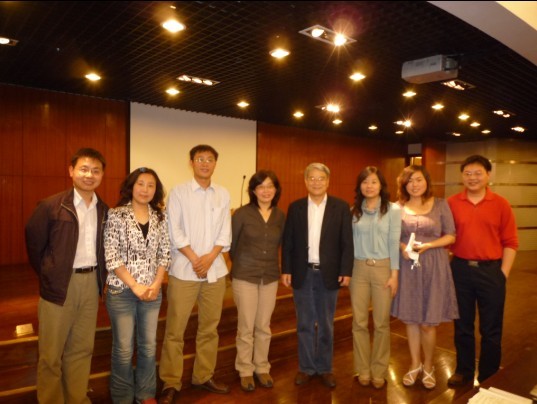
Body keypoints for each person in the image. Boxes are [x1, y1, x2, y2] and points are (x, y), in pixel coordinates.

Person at [25, 147, 108, 403]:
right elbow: (34, 245)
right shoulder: (51, 206)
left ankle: (76, 397)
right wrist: (50, 273)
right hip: (60, 285)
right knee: (51, 354)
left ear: (102, 175)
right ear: (71, 171)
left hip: (91, 284)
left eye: (95, 171)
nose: (89, 175)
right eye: (84, 169)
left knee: (82, 348)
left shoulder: (104, 210)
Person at [158, 145, 231, 403]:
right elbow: (174, 230)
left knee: (209, 329)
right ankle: (170, 382)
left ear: (215, 164)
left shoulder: (223, 193)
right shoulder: (178, 192)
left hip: (215, 271)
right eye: (200, 159)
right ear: (191, 162)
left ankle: (203, 376)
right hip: (183, 270)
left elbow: (225, 232)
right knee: (175, 330)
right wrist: (194, 258)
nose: (205, 163)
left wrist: (210, 258)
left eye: (210, 159)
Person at [281, 162, 354, 389]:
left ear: (328, 181)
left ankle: (324, 368)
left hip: (328, 274)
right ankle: (306, 367)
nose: (316, 182)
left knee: (325, 324)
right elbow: (288, 242)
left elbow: (347, 243)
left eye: (321, 178)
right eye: (311, 178)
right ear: (305, 181)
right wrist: (286, 269)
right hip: (302, 273)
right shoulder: (296, 207)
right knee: (304, 323)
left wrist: (346, 270)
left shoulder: (340, 207)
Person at [447, 155, 518, 386]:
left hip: (491, 271)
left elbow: (511, 242)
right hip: (460, 270)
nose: (472, 178)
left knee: (491, 327)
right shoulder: (451, 203)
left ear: (488, 175)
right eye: (467, 173)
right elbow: (446, 237)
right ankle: (464, 370)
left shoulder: (501, 204)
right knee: (462, 325)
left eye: (478, 173)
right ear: (462, 176)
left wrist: (503, 274)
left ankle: (489, 374)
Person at [104, 167, 171, 403]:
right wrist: (135, 286)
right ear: (131, 187)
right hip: (121, 290)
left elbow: (165, 252)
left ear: (156, 190)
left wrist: (157, 283)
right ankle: (122, 396)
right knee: (123, 349)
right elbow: (111, 255)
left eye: (151, 185)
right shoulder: (116, 214)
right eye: (140, 184)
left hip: (152, 291)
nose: (145, 189)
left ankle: (145, 393)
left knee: (149, 346)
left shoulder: (160, 217)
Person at [391, 165, 458, 389]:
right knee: (411, 319)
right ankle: (415, 364)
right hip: (407, 266)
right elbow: (391, 235)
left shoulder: (440, 204)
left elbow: (451, 236)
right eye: (409, 181)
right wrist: (403, 247)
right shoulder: (396, 207)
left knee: (428, 323)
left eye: (418, 179)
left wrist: (429, 245)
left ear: (426, 181)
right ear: (403, 185)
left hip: (434, 265)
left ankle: (429, 365)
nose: (414, 184)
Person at [230, 170, 285, 392]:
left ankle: (262, 367)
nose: (266, 190)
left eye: (270, 186)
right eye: (261, 186)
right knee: (246, 326)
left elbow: (281, 244)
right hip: (245, 275)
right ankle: (245, 369)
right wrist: (244, 263)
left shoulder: (280, 215)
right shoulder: (242, 214)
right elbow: (232, 246)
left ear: (276, 190)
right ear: (253, 190)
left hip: (270, 276)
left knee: (263, 325)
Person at [349, 166, 401, 389]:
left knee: (381, 323)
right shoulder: (353, 211)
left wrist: (394, 274)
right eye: (365, 182)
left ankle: (379, 370)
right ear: (359, 186)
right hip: (358, 269)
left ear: (381, 185)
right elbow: (348, 244)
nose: (369, 186)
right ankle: (362, 368)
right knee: (359, 322)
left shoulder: (393, 209)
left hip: (383, 268)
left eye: (373, 182)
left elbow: (394, 242)